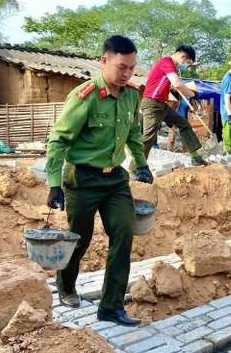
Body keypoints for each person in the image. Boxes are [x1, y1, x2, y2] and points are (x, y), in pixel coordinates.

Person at [45, 35, 153, 326]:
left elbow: (133, 134)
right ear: (104, 61)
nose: (127, 74)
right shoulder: (85, 96)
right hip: (83, 178)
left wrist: (141, 163)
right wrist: (54, 182)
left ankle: (111, 307)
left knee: (124, 232)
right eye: (121, 67)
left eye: (132, 68)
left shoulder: (131, 95)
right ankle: (66, 285)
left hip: (115, 179)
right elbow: (58, 139)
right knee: (79, 239)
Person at [141, 46, 208, 165]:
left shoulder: (169, 66)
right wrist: (192, 94)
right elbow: (177, 84)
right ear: (183, 57)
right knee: (148, 137)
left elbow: (172, 85)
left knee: (183, 124)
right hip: (152, 103)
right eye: (187, 63)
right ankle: (136, 167)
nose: (185, 66)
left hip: (161, 104)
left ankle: (195, 157)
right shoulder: (167, 62)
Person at [166, 81, 199, 152]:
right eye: (192, 91)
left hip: (183, 117)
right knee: (172, 131)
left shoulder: (190, 99)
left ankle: (185, 149)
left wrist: (193, 109)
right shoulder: (179, 94)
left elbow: (191, 108)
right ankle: (169, 149)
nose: (193, 92)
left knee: (185, 131)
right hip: (175, 115)